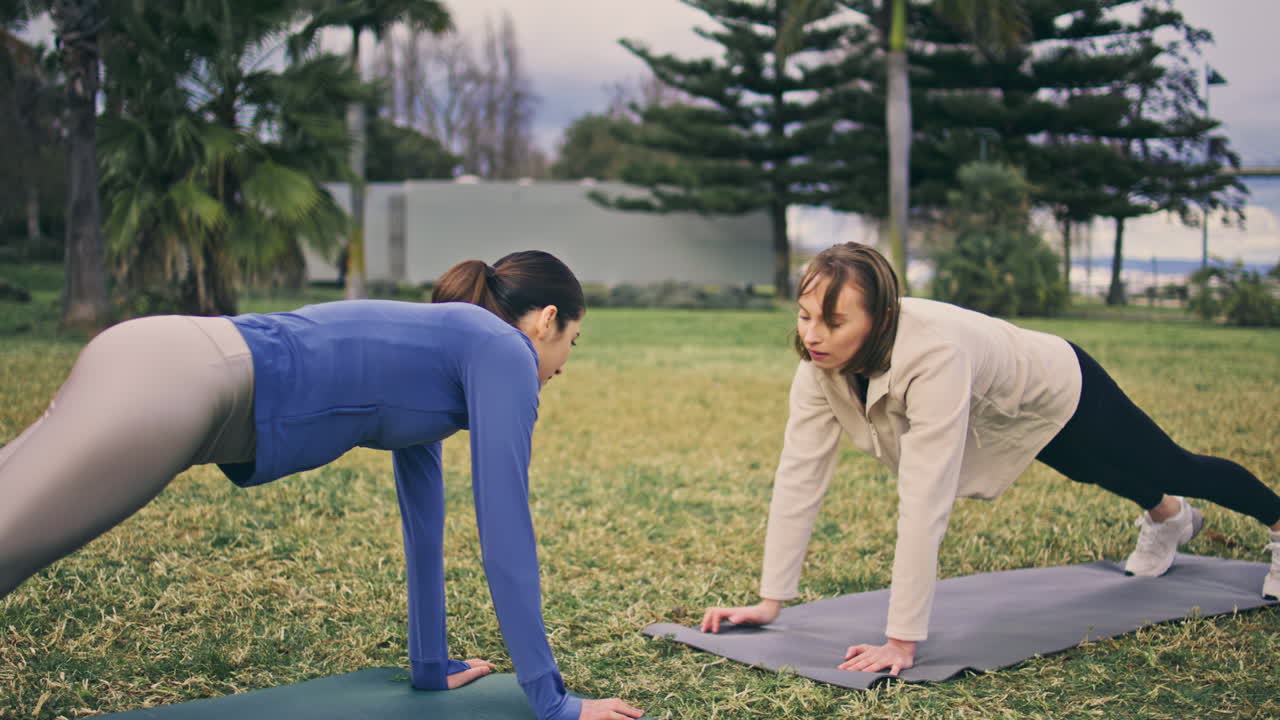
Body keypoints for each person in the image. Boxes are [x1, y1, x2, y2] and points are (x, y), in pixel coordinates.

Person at [0, 250, 642, 720]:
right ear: (545, 320)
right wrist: (553, 702)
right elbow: (505, 530)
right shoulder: (504, 353)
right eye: (572, 343)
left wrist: (429, 665)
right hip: (186, 384)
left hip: (171, 362)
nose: (561, 366)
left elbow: (425, 521)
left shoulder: (444, 355)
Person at [700, 242, 1280, 676]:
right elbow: (799, 476)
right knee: (1092, 470)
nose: (814, 335)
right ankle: (1168, 518)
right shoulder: (817, 365)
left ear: (878, 319)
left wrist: (901, 639)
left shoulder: (933, 352)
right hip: (993, 405)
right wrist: (770, 602)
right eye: (805, 317)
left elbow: (924, 500)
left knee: (1165, 463)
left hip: (1056, 384)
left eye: (833, 321)